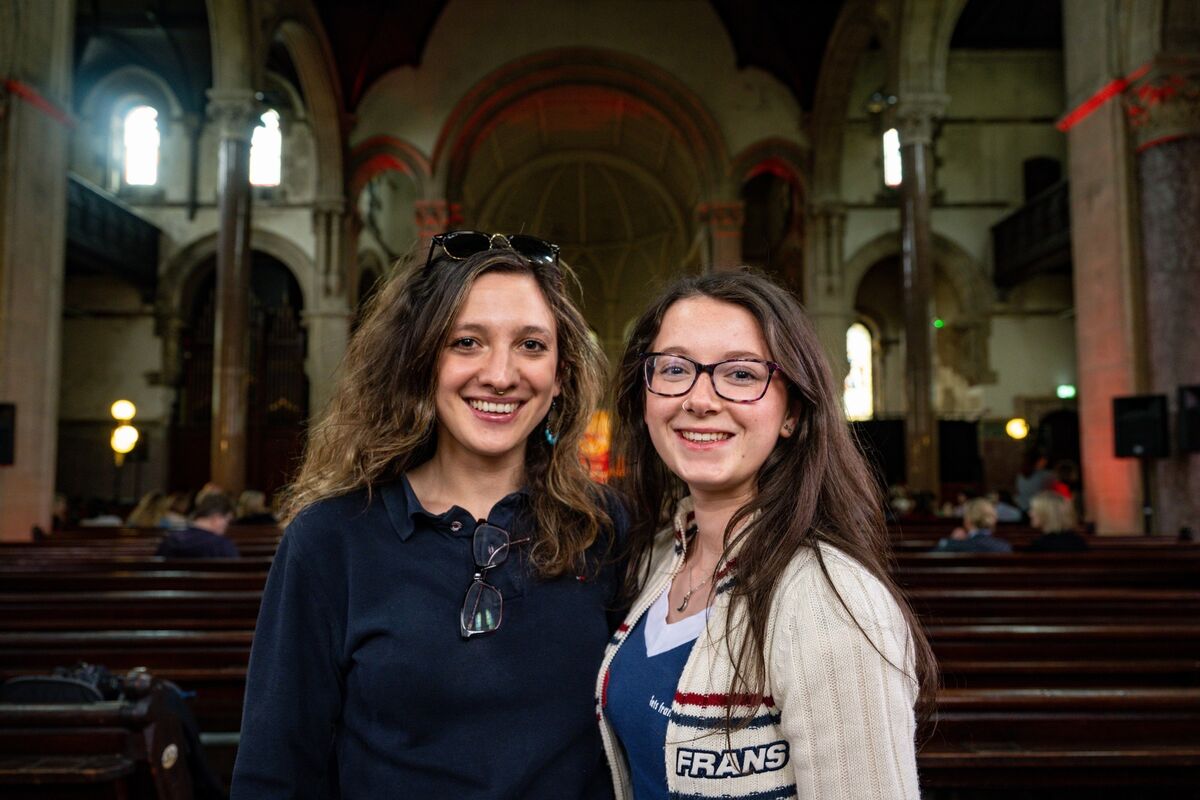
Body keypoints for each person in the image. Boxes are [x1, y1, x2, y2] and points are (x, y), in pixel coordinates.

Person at [231, 233, 623, 800]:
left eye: (532, 345)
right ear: (420, 360)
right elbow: (275, 772)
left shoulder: (608, 528)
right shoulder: (329, 540)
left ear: (560, 374)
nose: (500, 374)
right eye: (467, 342)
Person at [597, 271, 934, 800]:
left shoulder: (830, 602)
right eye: (675, 368)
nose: (699, 399)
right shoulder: (658, 557)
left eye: (739, 374)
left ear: (792, 413)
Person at [155, 492, 240, 558]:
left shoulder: (170, 541)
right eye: (227, 520)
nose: (226, 526)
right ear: (216, 518)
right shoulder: (223, 546)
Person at [935, 497, 1013, 553]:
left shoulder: (953, 545)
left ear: (967, 521)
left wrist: (951, 540)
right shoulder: (1003, 547)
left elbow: (932, 559)